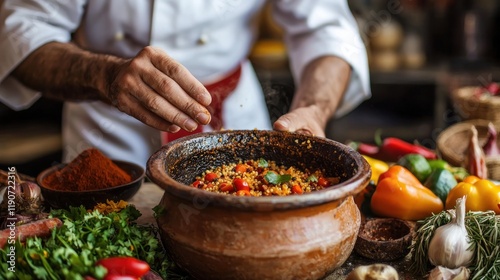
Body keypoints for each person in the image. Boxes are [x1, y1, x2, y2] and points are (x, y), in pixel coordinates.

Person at [0, 0, 370, 166]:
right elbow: (20, 32)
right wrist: (104, 75)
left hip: (236, 117)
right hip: (109, 129)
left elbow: (326, 29)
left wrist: (316, 108)